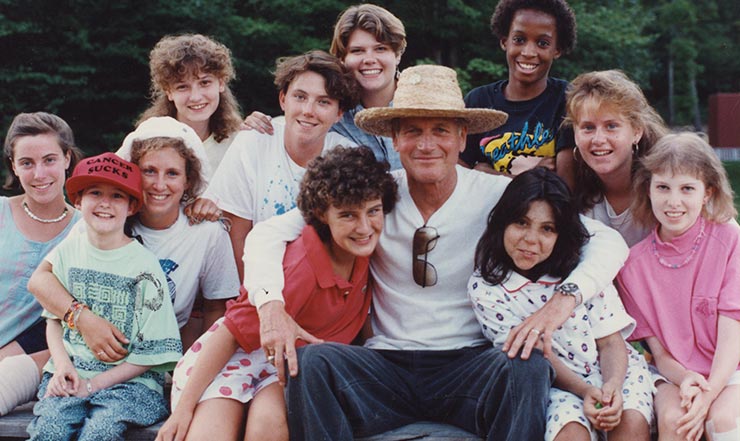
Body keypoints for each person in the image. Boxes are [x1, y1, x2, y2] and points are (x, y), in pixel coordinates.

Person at [241, 65, 629, 441]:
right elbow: (268, 234)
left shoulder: (496, 195)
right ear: (395, 139)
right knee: (312, 365)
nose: (426, 145)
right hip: (386, 365)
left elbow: (605, 240)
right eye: (412, 131)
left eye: (441, 130)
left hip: (471, 364)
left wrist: (561, 303)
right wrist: (270, 305)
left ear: (462, 138)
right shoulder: (374, 196)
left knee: (525, 365)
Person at [156, 146, 397, 441]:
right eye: (348, 215)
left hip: (285, 368)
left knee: (268, 424)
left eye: (373, 211)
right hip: (231, 361)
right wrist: (183, 409)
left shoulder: (364, 253)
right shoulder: (301, 265)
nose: (363, 227)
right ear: (322, 214)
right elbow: (230, 333)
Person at [27, 117, 240, 358]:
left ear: (187, 181)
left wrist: (192, 368)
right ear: (133, 174)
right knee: (12, 374)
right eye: (149, 171)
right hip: (81, 349)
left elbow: (216, 308)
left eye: (172, 173)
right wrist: (83, 319)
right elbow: (40, 280)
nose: (160, 185)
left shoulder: (207, 232)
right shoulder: (106, 219)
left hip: (149, 358)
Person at [468, 167, 652, 441]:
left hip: (614, 370)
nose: (530, 239)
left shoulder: (581, 272)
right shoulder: (488, 287)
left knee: (631, 422)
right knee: (570, 434)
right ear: (502, 222)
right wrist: (585, 391)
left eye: (547, 229)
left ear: (561, 234)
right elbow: (533, 356)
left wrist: (611, 386)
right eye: (520, 222)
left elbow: (611, 342)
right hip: (559, 384)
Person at [26, 152, 182, 440]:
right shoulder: (67, 252)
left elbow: (151, 355)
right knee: (50, 428)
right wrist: (61, 366)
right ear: (78, 201)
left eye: (117, 196)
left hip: (132, 384)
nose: (105, 203)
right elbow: (54, 320)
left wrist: (95, 384)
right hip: (70, 372)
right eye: (95, 193)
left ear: (132, 206)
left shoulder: (145, 267)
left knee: (100, 431)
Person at [617, 133, 740, 441]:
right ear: (648, 189)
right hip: (675, 375)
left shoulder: (729, 239)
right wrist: (686, 379)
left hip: (731, 369)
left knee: (722, 420)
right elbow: (659, 354)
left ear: (707, 193)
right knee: (674, 421)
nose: (673, 202)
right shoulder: (632, 266)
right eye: (663, 187)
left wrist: (708, 397)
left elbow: (731, 337)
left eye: (687, 188)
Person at [204, 50, 357, 281]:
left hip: (320, 286)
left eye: (323, 102)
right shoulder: (253, 141)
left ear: (339, 113)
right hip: (256, 281)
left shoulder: (348, 159)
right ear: (283, 99)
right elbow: (236, 232)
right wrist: (257, 298)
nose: (308, 110)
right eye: (300, 97)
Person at [244, 3, 406, 170]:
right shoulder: (333, 111)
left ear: (397, 55)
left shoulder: (422, 104)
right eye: (357, 51)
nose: (369, 59)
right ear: (342, 59)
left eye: (380, 49)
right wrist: (256, 126)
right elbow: (297, 124)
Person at [0, 112, 82, 416]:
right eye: (27, 163)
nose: (39, 174)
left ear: (67, 159)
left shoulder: (87, 230)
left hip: (29, 359)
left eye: (49, 160)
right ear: (13, 166)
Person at [460, 0, 577, 185]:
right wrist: (534, 175)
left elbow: (563, 187)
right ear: (504, 41)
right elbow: (460, 178)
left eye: (542, 43)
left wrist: (489, 175)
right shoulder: (478, 100)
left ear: (557, 50)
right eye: (519, 39)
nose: (529, 52)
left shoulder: (567, 99)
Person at [565, 70, 668, 246]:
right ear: (575, 133)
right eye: (588, 128)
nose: (598, 139)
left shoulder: (668, 180)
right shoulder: (571, 186)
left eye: (611, 126)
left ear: (637, 131)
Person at [138, 33, 243, 175]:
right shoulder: (146, 139)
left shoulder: (238, 143)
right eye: (182, 87)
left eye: (204, 83)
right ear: (169, 92)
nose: (195, 97)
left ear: (221, 83)